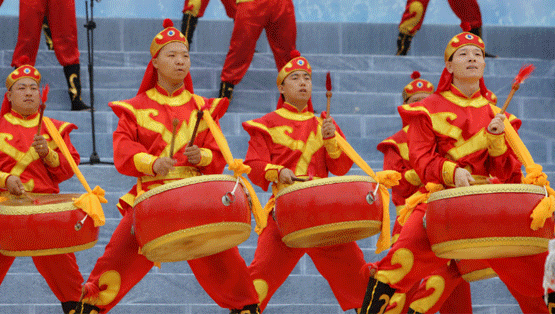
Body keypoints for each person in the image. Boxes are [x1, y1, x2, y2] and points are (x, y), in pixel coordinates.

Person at [74, 19, 262, 314]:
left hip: (196, 200)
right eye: (172, 55)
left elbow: (218, 153)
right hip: (152, 199)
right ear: (155, 62)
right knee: (113, 265)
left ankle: (245, 307)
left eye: (185, 56)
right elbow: (123, 149)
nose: (180, 61)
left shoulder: (204, 108)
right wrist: (152, 163)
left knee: (229, 268)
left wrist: (202, 157)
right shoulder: (135, 108)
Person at [360, 32, 549, 314]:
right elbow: (421, 159)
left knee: (538, 274)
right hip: (441, 203)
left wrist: (497, 142)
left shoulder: (498, 115)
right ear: (448, 66)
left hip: (489, 206)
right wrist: (451, 172)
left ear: (484, 65)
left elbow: (509, 175)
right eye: (463, 54)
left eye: (478, 54)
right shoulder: (426, 110)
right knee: (396, 267)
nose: (472, 58)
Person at [242, 51, 368, 311]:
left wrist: (331, 141)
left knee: (356, 276)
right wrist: (278, 172)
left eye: (307, 78)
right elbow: (253, 165)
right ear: (281, 87)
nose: (303, 83)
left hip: (322, 212)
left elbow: (341, 168)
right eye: (295, 78)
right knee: (259, 279)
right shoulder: (266, 124)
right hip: (285, 212)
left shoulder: (324, 123)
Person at [0, 63, 86, 314]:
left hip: (47, 211)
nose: (29, 92)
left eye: (33, 88)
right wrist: (6, 180)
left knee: (71, 285)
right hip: (5, 210)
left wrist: (49, 155)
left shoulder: (55, 129)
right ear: (9, 95)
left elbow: (69, 169)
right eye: (21, 88)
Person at [377, 72, 474, 314]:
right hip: (410, 219)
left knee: (453, 280)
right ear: (405, 106)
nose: (421, 105)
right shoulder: (395, 143)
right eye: (415, 101)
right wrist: (427, 170)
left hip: (446, 214)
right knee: (402, 288)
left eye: (426, 100)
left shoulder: (444, 139)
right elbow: (396, 182)